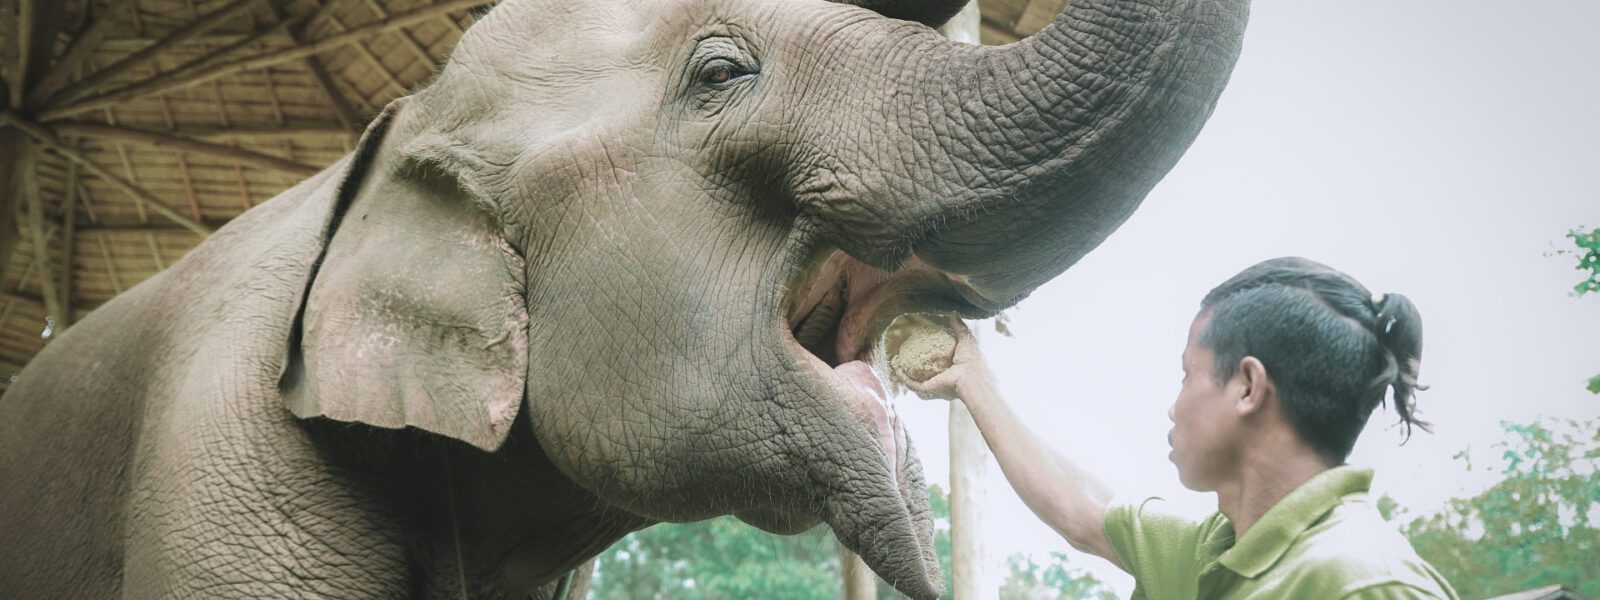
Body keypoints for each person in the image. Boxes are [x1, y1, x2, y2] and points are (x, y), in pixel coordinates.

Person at [897, 257, 1460, 599]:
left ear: (1247, 387)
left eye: (1187, 375)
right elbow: (1082, 512)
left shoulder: (1365, 584)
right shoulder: (1212, 555)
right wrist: (975, 383)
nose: (1173, 408)